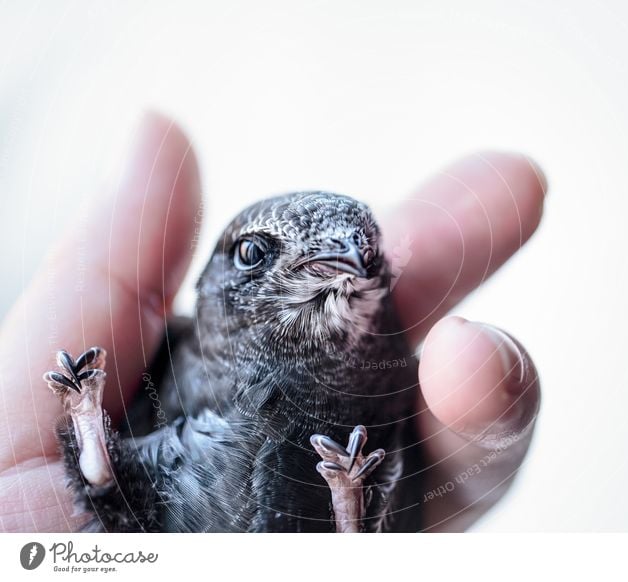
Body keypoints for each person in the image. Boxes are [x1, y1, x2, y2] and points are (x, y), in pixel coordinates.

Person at [0, 112, 545, 532]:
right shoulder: (159, 357)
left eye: (364, 256)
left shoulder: (392, 387)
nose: (341, 262)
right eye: (257, 254)